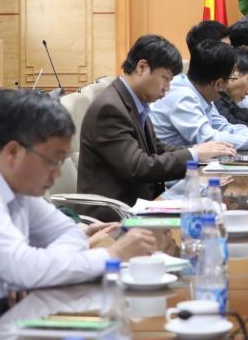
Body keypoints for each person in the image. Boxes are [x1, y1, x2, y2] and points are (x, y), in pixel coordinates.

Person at [0, 90, 156, 321]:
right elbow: (25, 268)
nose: (57, 172)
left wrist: (38, 270)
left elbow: (68, 232)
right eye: (53, 161)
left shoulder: (21, 190)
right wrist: (110, 255)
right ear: (13, 152)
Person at [77, 35, 234, 220]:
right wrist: (194, 155)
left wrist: (200, 154)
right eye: (165, 79)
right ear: (142, 67)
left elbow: (157, 149)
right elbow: (138, 167)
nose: (167, 88)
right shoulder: (110, 108)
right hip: (115, 214)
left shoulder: (134, 101)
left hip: (141, 203)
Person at [150, 40, 248, 151]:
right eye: (231, 78)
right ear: (219, 84)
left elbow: (223, 126)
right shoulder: (181, 96)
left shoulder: (201, 92)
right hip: (175, 178)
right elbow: (210, 138)